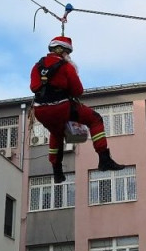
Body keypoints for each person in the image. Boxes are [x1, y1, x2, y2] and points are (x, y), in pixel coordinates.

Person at [30, 35, 125, 183]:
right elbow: (78, 91)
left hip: (40, 111)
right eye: (68, 52)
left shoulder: (37, 66)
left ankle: (57, 172)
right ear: (61, 50)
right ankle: (104, 158)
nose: (68, 55)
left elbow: (33, 87)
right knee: (95, 119)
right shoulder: (66, 66)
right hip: (61, 107)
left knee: (56, 132)